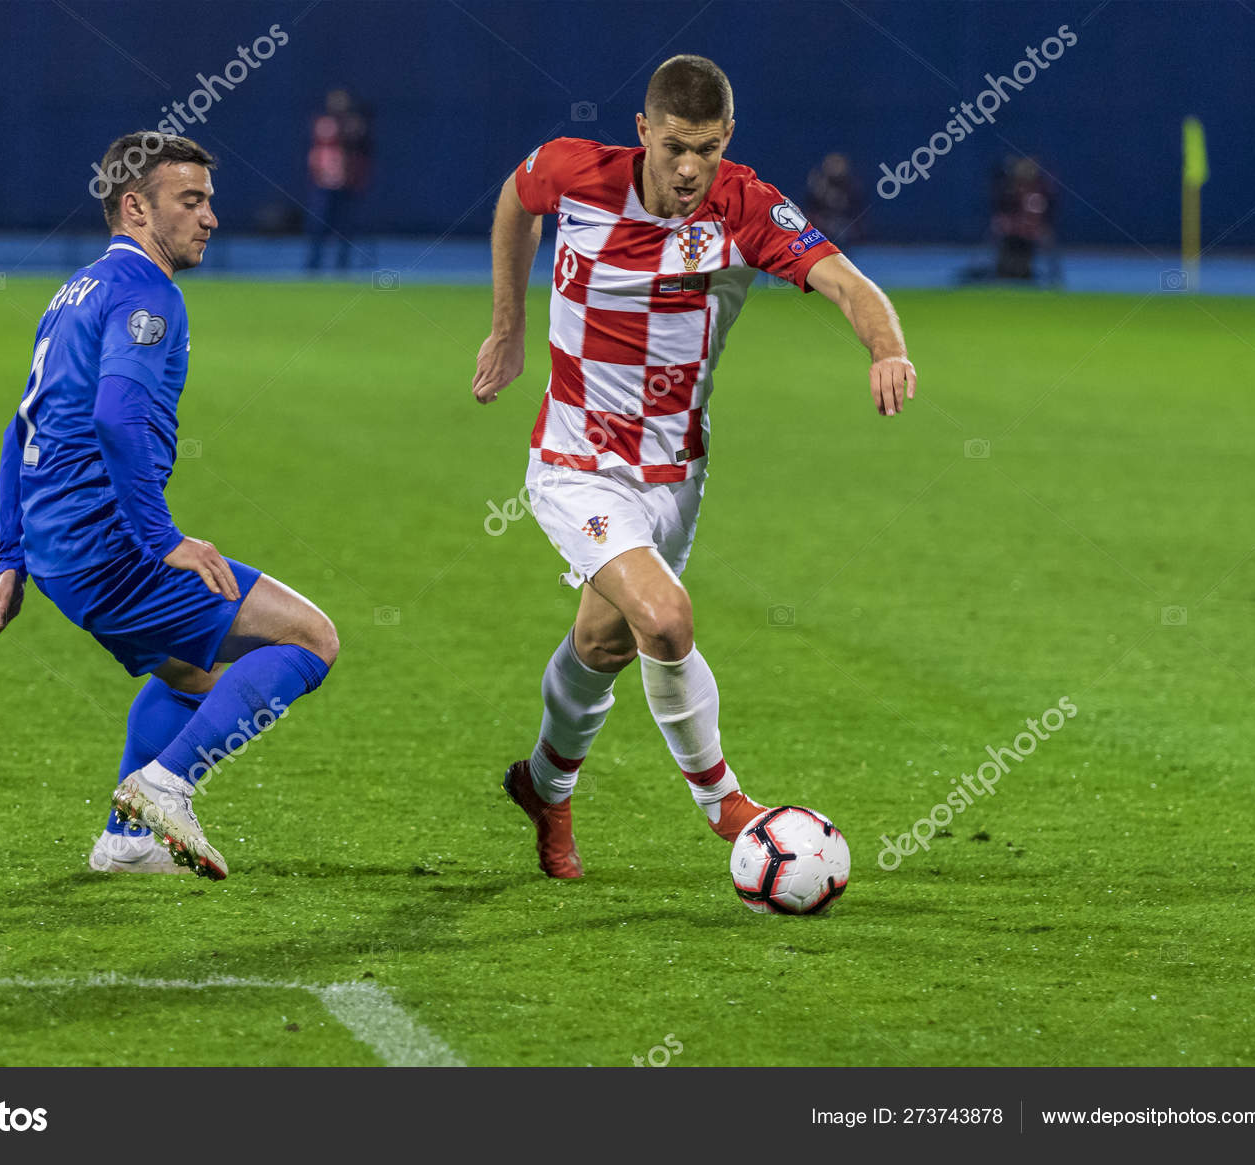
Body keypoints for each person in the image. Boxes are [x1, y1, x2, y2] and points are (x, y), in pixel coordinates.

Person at [470, 56, 916, 879]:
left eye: (706, 149)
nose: (689, 168)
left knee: (604, 643)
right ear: (642, 132)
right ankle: (727, 805)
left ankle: (543, 784)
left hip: (674, 475)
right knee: (667, 620)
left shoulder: (746, 208)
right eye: (674, 146)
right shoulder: (575, 172)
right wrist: (508, 326)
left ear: (727, 141)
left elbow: (850, 285)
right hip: (575, 463)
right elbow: (512, 199)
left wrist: (887, 349)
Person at [0, 132, 339, 880]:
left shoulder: (78, 287)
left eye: (209, 200)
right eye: (191, 200)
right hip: (107, 546)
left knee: (194, 676)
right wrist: (161, 536)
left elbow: (22, 425)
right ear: (136, 206)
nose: (210, 217)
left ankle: (127, 840)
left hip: (59, 551)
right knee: (309, 639)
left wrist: (12, 558)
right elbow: (115, 416)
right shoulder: (149, 294)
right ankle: (164, 787)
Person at [305, 89, 372, 271]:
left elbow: (362, 147)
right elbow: (321, 144)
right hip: (324, 183)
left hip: (347, 184)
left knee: (345, 226)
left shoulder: (355, 124)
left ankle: (342, 265)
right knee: (318, 225)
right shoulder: (324, 123)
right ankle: (313, 264)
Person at [805, 151, 862, 242]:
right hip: (822, 223)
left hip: (843, 225)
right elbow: (811, 209)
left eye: (838, 164)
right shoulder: (819, 184)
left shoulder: (851, 186)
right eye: (832, 164)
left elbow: (855, 211)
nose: (835, 167)